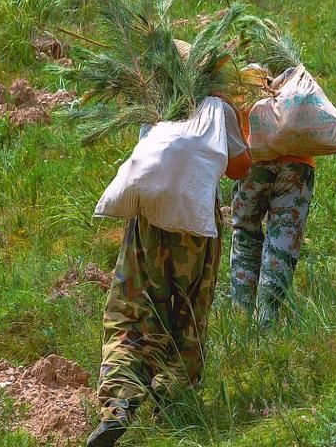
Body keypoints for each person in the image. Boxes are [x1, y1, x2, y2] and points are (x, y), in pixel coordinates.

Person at [87, 100, 251, 447]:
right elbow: (240, 168)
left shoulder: (153, 100)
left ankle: (119, 402)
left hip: (148, 221)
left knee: (130, 312)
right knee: (189, 314)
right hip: (198, 226)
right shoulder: (219, 108)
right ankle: (172, 398)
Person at [230, 68, 314, 326]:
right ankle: (266, 317)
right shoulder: (296, 81)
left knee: (245, 233)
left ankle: (242, 318)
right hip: (297, 165)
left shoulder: (244, 81)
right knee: (283, 238)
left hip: (253, 163)